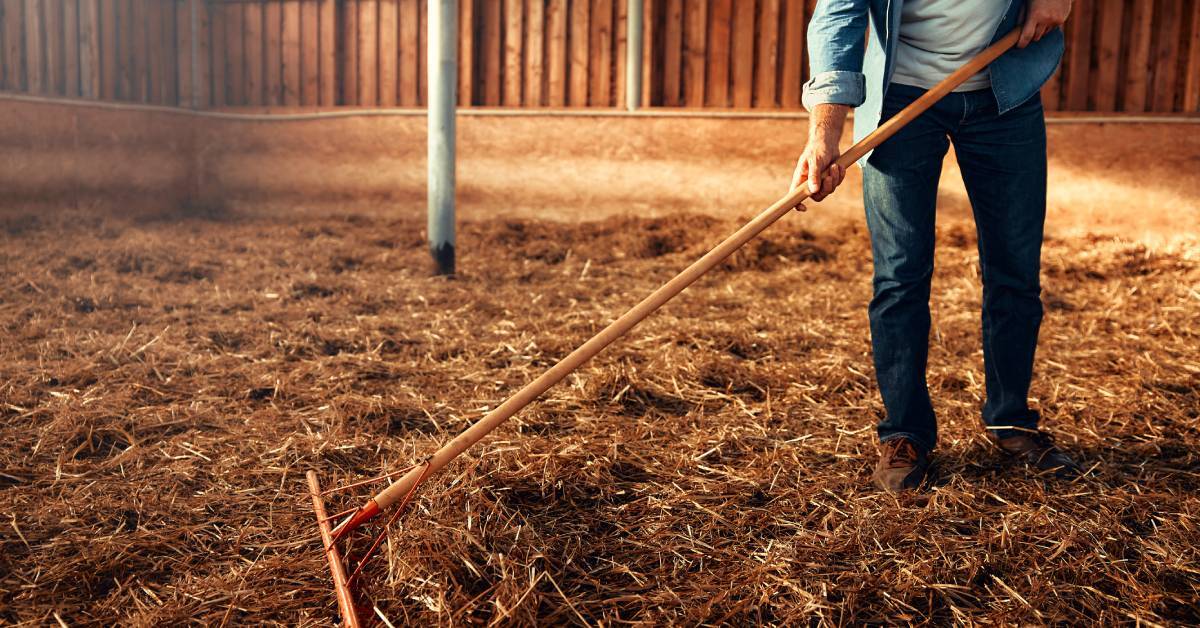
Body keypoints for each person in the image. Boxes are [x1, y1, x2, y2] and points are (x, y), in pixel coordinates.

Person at [792, 0, 1083, 493]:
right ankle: (905, 432)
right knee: (900, 274)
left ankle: (1011, 421)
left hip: (1003, 91)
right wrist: (826, 133)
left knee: (1015, 267)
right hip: (899, 97)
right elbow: (838, 14)